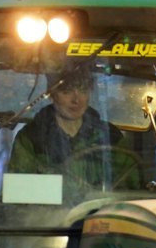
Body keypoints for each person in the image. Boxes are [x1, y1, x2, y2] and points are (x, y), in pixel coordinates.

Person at [9, 67, 138, 190]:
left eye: (83, 91)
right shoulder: (32, 138)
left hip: (103, 211)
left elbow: (132, 190)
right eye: (67, 92)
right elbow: (20, 193)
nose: (76, 100)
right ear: (51, 94)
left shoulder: (110, 136)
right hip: (48, 213)